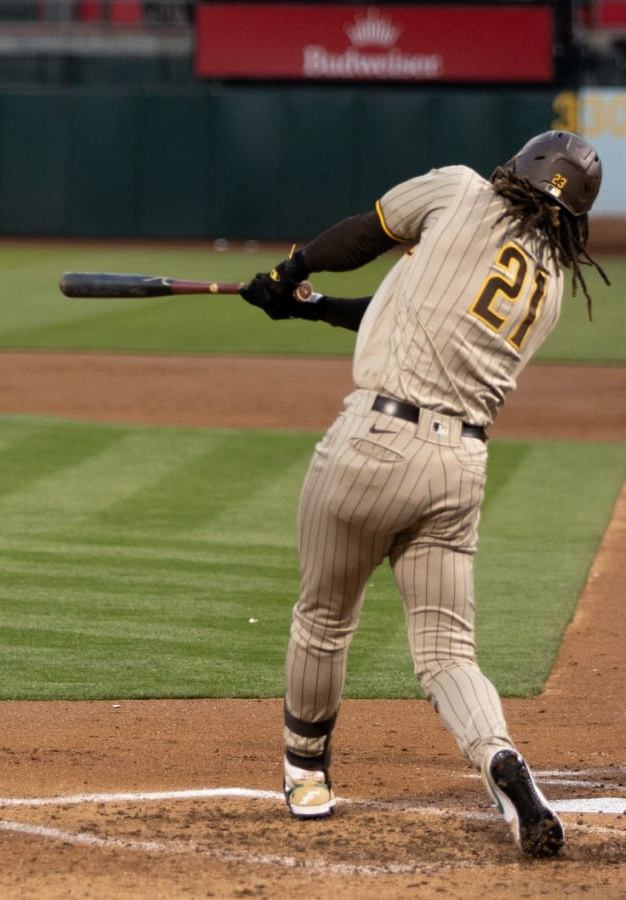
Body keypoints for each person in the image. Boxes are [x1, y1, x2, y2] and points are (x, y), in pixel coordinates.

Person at [239, 131, 609, 857]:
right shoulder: (552, 287)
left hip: (370, 446)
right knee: (447, 654)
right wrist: (311, 307)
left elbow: (361, 235)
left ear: (525, 165)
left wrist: (292, 269)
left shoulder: (461, 190)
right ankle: (502, 760)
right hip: (457, 470)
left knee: (323, 618)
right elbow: (411, 304)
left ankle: (307, 774)